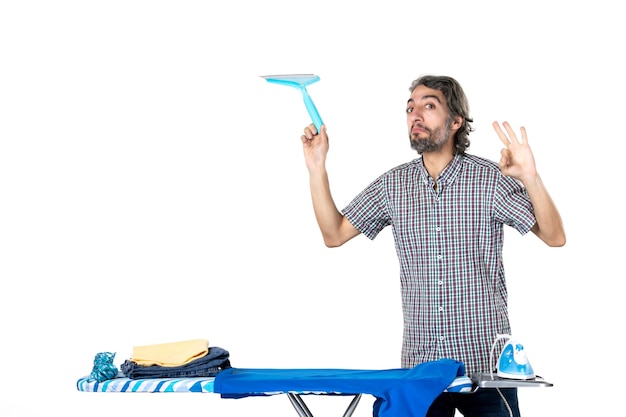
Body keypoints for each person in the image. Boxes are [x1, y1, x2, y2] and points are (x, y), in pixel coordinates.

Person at [300, 74, 566, 417]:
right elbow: (334, 234)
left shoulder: (491, 180)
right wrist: (316, 166)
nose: (415, 115)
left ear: (456, 121)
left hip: (484, 369)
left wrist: (530, 176)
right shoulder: (393, 185)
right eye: (410, 108)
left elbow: (554, 236)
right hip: (420, 369)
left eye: (429, 106)